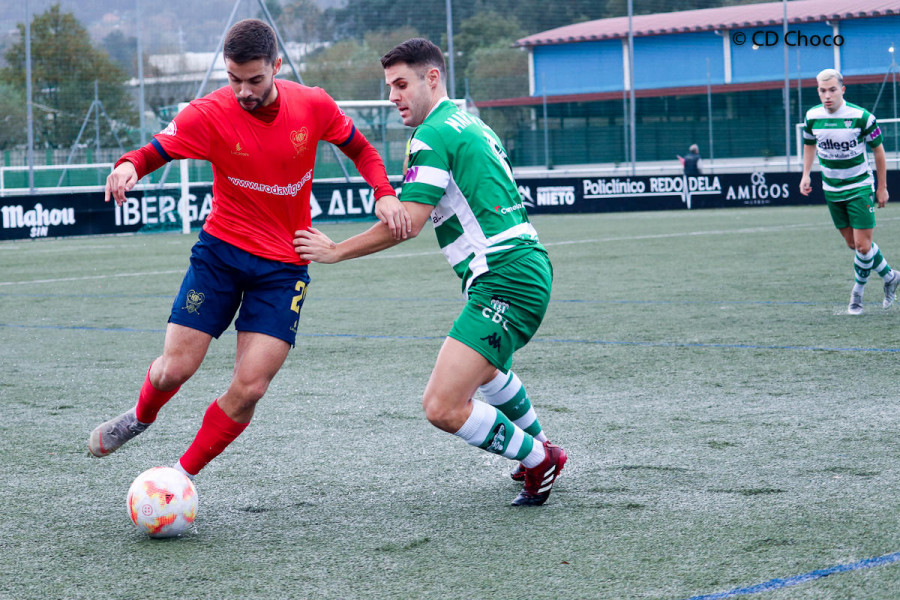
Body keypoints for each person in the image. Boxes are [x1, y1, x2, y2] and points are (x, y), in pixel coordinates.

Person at [89, 19, 410, 480]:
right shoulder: (210, 112)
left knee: (250, 387)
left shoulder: (313, 104)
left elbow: (362, 150)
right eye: (234, 79)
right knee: (174, 370)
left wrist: (383, 191)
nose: (243, 91)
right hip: (220, 256)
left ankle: (179, 478)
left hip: (283, 268)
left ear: (277, 66)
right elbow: (155, 150)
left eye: (255, 80)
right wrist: (127, 167)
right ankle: (141, 417)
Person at [294, 38, 567, 506]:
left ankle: (541, 459)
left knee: (441, 406)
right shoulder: (471, 124)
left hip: (506, 275)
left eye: (401, 84)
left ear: (432, 78)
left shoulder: (432, 134)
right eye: (389, 87)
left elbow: (407, 225)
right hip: (518, 266)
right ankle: (536, 452)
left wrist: (336, 250)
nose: (393, 96)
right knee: (486, 372)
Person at [800, 68, 899, 315]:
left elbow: (879, 151)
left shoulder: (862, 117)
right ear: (818, 91)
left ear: (842, 89)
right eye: (823, 91)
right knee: (853, 245)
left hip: (859, 188)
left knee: (863, 246)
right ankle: (890, 277)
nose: (828, 95)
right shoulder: (812, 116)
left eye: (832, 90)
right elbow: (809, 144)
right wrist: (805, 174)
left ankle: (857, 294)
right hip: (831, 190)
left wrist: (882, 187)